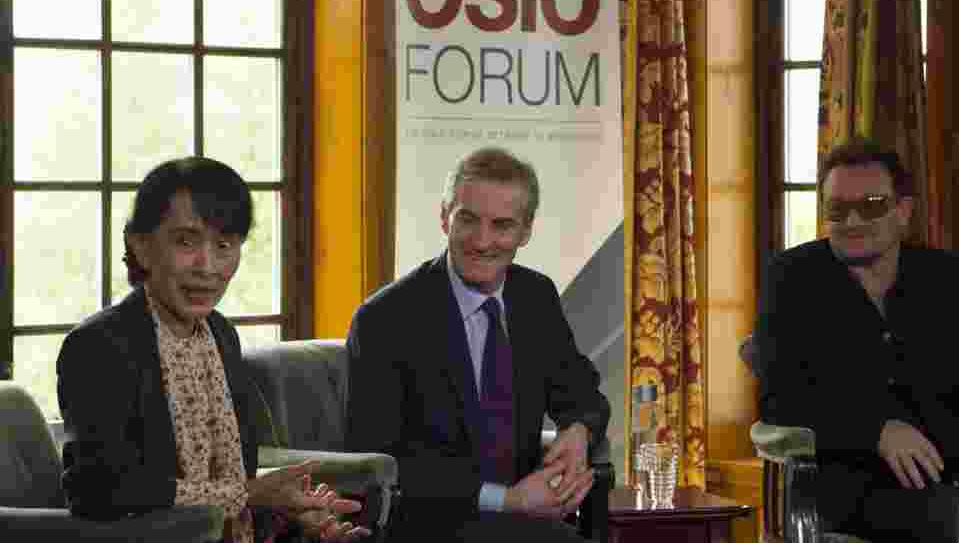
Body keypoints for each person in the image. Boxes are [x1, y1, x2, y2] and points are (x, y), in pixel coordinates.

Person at [57, 157, 371, 543]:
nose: (206, 266)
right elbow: (95, 490)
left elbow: (229, 484)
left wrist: (298, 517)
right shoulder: (98, 345)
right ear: (140, 246)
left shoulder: (221, 334)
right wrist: (249, 494)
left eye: (224, 245)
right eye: (185, 241)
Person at [754, 137, 959, 542]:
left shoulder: (951, 280)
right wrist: (876, 430)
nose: (852, 221)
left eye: (871, 205)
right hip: (851, 488)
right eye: (837, 209)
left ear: (903, 211)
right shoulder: (790, 279)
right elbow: (780, 399)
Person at [345, 147, 610, 543]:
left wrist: (578, 432)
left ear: (525, 231)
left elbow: (582, 393)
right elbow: (379, 457)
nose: (483, 241)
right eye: (467, 220)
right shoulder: (384, 319)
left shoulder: (534, 296)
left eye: (502, 225)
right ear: (444, 217)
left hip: (525, 523)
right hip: (428, 525)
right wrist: (506, 500)